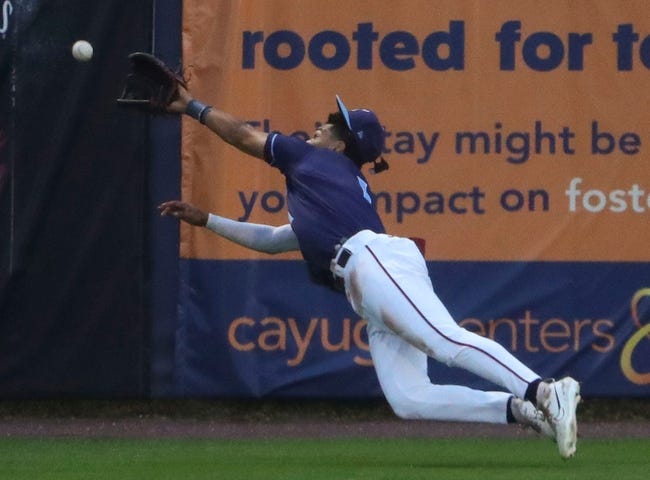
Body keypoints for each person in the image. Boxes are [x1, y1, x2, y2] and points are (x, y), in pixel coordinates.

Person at [158, 86, 581, 458]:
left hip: (372, 260)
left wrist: (191, 105)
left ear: (341, 146)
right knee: (409, 398)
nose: (319, 127)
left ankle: (545, 390)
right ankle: (518, 409)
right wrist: (208, 220)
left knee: (446, 341)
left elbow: (243, 135)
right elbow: (272, 240)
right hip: (367, 275)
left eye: (331, 124)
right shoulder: (323, 184)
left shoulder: (311, 159)